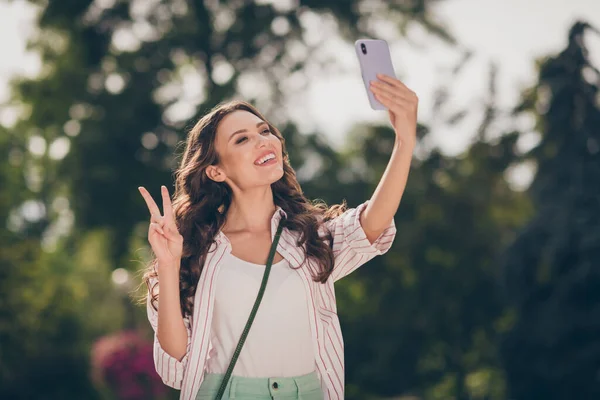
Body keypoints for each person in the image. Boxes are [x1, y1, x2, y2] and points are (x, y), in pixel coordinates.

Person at [139, 74, 418, 400]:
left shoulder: (309, 239)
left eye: (265, 131)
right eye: (241, 140)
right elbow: (177, 363)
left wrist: (404, 140)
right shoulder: (196, 250)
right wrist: (169, 263)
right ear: (216, 171)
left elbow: (373, 223)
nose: (262, 140)